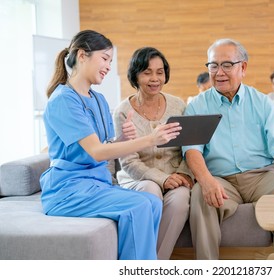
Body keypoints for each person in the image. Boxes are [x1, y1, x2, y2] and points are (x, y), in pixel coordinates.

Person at [39, 30, 181, 260]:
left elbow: (104, 146)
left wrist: (123, 141)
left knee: (153, 203)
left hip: (97, 184)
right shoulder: (64, 100)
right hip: (68, 190)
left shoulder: (98, 99)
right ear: (83, 55)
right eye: (104, 59)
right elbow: (96, 152)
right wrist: (150, 139)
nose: (108, 66)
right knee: (139, 207)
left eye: (110, 61)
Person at [183, 38, 274, 259]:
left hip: (260, 176)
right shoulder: (197, 106)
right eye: (213, 65)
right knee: (201, 193)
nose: (219, 72)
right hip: (221, 180)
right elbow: (192, 150)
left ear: (243, 68)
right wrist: (207, 181)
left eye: (227, 65)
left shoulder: (262, 103)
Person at [113, 47, 193, 260]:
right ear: (135, 75)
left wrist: (184, 174)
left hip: (176, 176)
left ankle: (153, 264)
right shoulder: (122, 111)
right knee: (151, 191)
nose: (155, 78)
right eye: (147, 72)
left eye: (160, 72)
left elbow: (189, 149)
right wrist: (162, 179)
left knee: (181, 198)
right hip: (137, 179)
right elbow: (128, 161)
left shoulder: (178, 105)